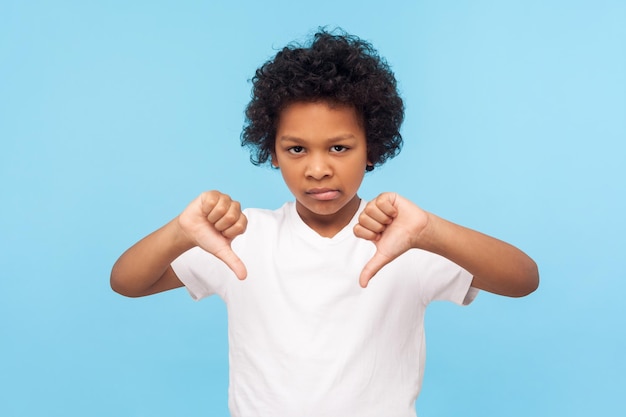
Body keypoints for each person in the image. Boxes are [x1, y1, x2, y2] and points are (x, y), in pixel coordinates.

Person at [111, 29, 539, 417]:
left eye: (338, 147)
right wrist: (179, 232)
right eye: (297, 149)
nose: (317, 169)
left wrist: (431, 232)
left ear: (371, 149)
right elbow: (128, 282)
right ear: (272, 152)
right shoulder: (243, 237)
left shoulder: (404, 237)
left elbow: (523, 279)